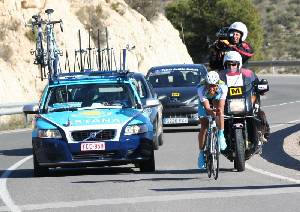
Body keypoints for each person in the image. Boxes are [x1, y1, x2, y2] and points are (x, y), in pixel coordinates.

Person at [219, 51, 270, 148]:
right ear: (225, 64)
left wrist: (261, 88)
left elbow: (256, 83)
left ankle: (262, 134)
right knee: (215, 119)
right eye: (229, 64)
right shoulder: (220, 75)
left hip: (244, 102)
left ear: (239, 64)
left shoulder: (248, 73)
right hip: (228, 104)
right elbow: (213, 86)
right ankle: (218, 140)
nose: (231, 66)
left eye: (234, 64)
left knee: (259, 113)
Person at [197, 71, 228, 169]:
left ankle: (221, 135)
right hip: (204, 102)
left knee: (220, 112)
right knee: (204, 126)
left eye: (214, 86)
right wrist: (211, 112)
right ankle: (201, 153)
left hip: (216, 99)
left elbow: (221, 105)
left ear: (217, 84)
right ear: (206, 84)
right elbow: (207, 108)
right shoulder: (201, 89)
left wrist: (217, 112)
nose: (211, 88)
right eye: (209, 85)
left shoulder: (223, 87)